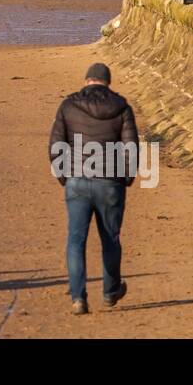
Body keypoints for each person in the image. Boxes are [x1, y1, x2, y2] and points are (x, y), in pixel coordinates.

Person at [47, 62, 137, 315]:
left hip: (77, 180)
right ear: (107, 82)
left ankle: (78, 297)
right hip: (110, 183)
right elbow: (131, 148)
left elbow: (56, 146)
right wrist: (126, 178)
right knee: (111, 238)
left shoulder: (68, 105)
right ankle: (110, 292)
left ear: (87, 80)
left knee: (76, 241)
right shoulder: (122, 107)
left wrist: (64, 177)